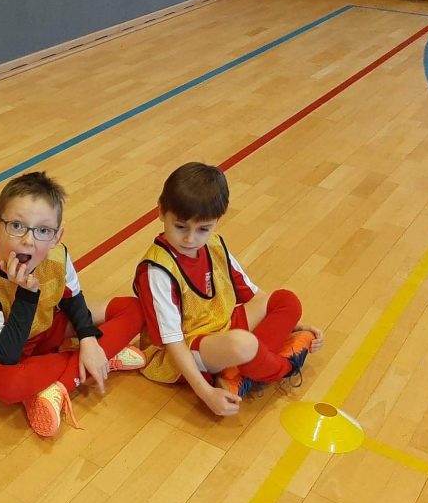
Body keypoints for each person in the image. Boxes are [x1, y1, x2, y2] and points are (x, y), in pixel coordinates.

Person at [0, 172, 147, 437]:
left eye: (42, 231)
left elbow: (73, 299)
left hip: (44, 322)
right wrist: (27, 293)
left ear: (56, 237)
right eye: (17, 226)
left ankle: (66, 378)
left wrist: (89, 341)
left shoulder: (57, 254)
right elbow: (7, 355)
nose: (28, 240)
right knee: (9, 386)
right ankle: (101, 359)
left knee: (134, 308)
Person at [133, 162, 324, 416]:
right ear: (161, 211)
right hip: (183, 352)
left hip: (222, 328)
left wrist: (293, 325)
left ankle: (240, 374)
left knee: (286, 300)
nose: (190, 238)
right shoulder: (157, 270)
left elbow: (256, 297)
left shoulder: (214, 244)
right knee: (243, 344)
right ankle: (283, 367)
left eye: (203, 229)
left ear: (216, 221)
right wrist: (206, 392)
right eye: (180, 227)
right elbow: (173, 342)